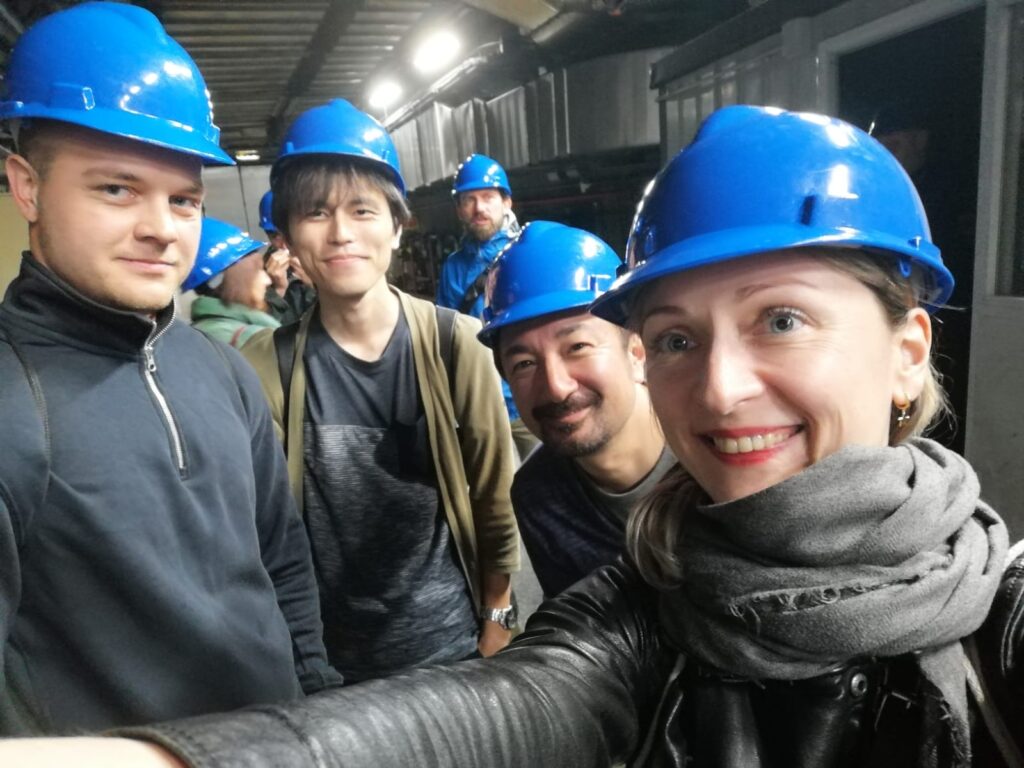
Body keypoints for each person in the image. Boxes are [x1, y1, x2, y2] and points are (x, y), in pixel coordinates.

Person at [11, 107, 1024, 768]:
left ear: (905, 351)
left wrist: (489, 603)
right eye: (675, 335)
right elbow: (460, 719)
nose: (717, 388)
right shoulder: (638, 615)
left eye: (782, 319)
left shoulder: (1001, 619)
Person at [0, 2, 339, 736]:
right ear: (26, 186)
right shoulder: (8, 404)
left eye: (183, 199)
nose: (161, 228)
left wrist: (316, 710)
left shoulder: (220, 369)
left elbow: (282, 563)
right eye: (116, 188)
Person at [238, 99, 520, 682]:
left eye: (363, 210)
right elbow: (266, 532)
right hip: (330, 664)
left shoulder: (455, 344)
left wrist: (498, 617)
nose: (342, 233)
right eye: (316, 213)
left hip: (453, 649)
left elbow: (496, 494)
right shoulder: (265, 365)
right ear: (288, 236)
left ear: (396, 227)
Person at [478, 221, 674, 597]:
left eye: (578, 347)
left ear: (637, 353)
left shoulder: (717, 456)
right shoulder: (539, 497)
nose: (555, 386)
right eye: (524, 364)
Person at [436, 154, 537, 460]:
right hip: (478, 404)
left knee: (547, 492)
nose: (479, 208)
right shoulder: (453, 268)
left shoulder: (528, 253)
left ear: (507, 203)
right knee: (494, 497)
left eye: (488, 197)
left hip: (529, 403)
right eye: (469, 199)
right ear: (459, 209)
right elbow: (445, 338)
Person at [184, 216, 280, 347]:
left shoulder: (201, 331)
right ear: (225, 279)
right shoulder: (249, 339)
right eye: (258, 270)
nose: (268, 280)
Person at [259, 190, 316, 325]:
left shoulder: (334, 261)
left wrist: (313, 284)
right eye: (274, 236)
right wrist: (278, 291)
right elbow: (260, 335)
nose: (284, 244)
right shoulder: (261, 273)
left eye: (290, 233)